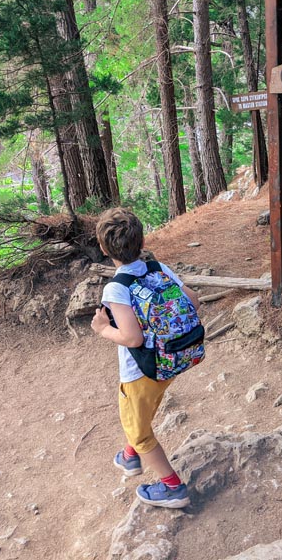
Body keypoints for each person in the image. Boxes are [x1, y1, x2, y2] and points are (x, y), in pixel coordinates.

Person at [90, 207, 200, 509]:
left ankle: (172, 488)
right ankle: (129, 457)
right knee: (141, 412)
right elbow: (194, 301)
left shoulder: (116, 287)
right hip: (172, 359)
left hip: (140, 371)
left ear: (103, 248)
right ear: (141, 242)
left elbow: (132, 338)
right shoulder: (157, 267)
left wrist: (102, 328)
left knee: (140, 433)